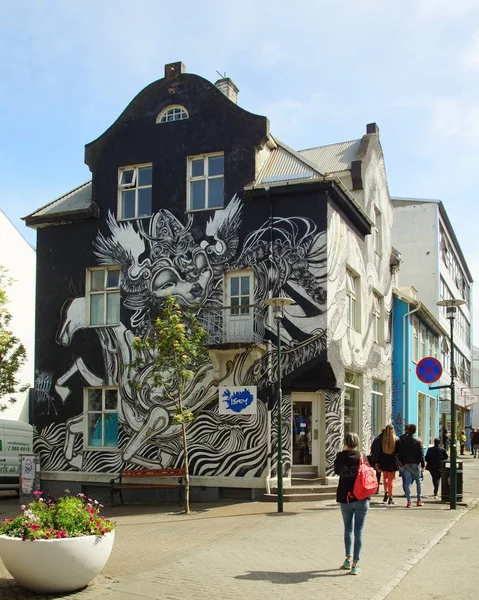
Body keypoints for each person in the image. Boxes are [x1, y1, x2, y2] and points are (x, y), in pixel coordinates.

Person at [334, 432, 371, 576]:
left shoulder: (340, 456)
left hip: (345, 497)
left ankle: (347, 559)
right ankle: (356, 564)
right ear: (356, 442)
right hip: (361, 496)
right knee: (359, 530)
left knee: (348, 528)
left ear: (345, 442)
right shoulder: (361, 456)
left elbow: (337, 471)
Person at [397, 423, 425, 507]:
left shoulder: (403, 440)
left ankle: (409, 501)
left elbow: (400, 453)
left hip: (406, 464)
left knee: (407, 483)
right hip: (416, 465)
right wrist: (423, 464)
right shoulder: (418, 441)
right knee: (419, 482)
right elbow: (421, 454)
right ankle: (419, 500)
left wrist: (401, 463)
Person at [376, 424, 400, 505]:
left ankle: (386, 492)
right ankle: (390, 497)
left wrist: (377, 462)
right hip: (392, 461)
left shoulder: (382, 439)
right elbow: (399, 452)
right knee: (391, 479)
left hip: (383, 460)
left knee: (385, 477)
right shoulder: (396, 439)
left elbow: (378, 452)